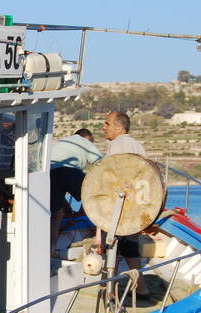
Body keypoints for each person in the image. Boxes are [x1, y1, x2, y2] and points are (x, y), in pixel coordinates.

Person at [100, 111, 151, 297]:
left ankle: (110, 290)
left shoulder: (117, 145)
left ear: (119, 128)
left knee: (111, 244)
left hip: (120, 203)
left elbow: (110, 173)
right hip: (137, 204)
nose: (103, 127)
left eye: (107, 123)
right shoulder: (137, 146)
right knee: (130, 245)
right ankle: (141, 287)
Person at [50, 127, 103, 253]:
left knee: (56, 215)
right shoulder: (85, 142)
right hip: (70, 170)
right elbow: (100, 162)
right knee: (93, 197)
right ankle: (99, 240)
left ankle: (51, 249)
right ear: (87, 138)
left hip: (51, 172)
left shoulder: (62, 142)